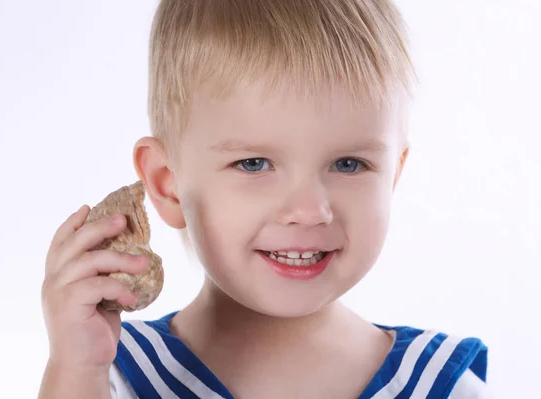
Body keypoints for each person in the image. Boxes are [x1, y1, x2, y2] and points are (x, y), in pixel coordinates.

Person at [38, 0, 493, 398]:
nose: (310, 211)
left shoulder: (439, 385)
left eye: (349, 164)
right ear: (168, 184)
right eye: (254, 164)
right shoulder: (113, 375)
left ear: (393, 175)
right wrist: (74, 370)